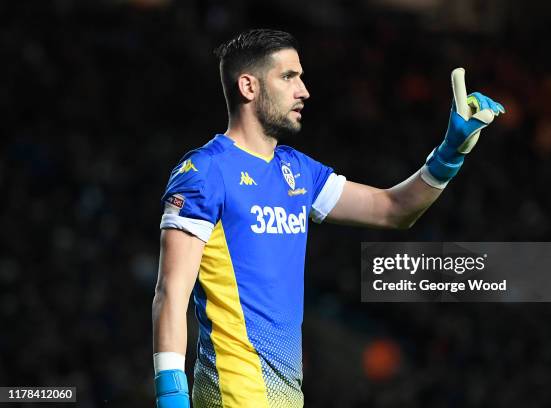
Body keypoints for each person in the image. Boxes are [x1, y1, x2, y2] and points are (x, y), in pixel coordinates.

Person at [152, 29, 504, 408]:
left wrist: (449, 153)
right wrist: (171, 396)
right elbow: (171, 293)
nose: (303, 91)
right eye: (288, 77)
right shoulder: (205, 172)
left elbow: (392, 210)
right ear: (248, 86)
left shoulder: (297, 172)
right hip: (230, 398)